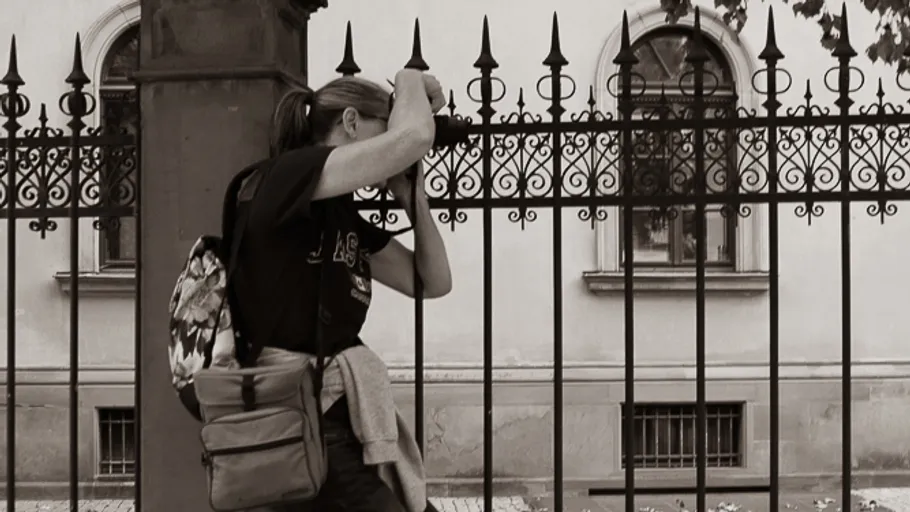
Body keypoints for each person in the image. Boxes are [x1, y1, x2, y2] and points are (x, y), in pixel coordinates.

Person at [228, 68, 452, 512]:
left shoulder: (340, 213)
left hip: (335, 415)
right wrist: (410, 82)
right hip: (297, 410)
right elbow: (412, 138)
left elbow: (430, 282)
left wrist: (412, 197)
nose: (391, 148)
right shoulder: (287, 178)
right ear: (351, 123)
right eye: (381, 130)